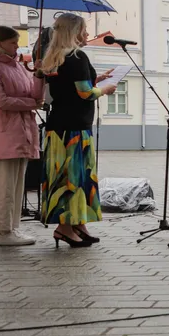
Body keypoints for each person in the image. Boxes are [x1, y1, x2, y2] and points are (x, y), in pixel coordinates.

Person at [38, 13, 115, 247]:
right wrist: (105, 89)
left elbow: (69, 88)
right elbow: (84, 93)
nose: (88, 34)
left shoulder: (55, 57)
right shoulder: (77, 57)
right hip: (74, 130)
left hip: (58, 128)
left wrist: (96, 78)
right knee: (74, 179)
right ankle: (64, 228)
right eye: (84, 30)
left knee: (66, 178)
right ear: (74, 32)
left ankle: (78, 224)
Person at [0, 26, 43, 247]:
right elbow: (1, 100)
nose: (17, 46)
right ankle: (4, 231)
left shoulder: (18, 65)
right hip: (6, 130)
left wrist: (39, 76)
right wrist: (31, 104)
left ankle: (13, 228)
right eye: (13, 43)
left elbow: (36, 96)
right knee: (5, 184)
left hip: (24, 129)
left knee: (18, 183)